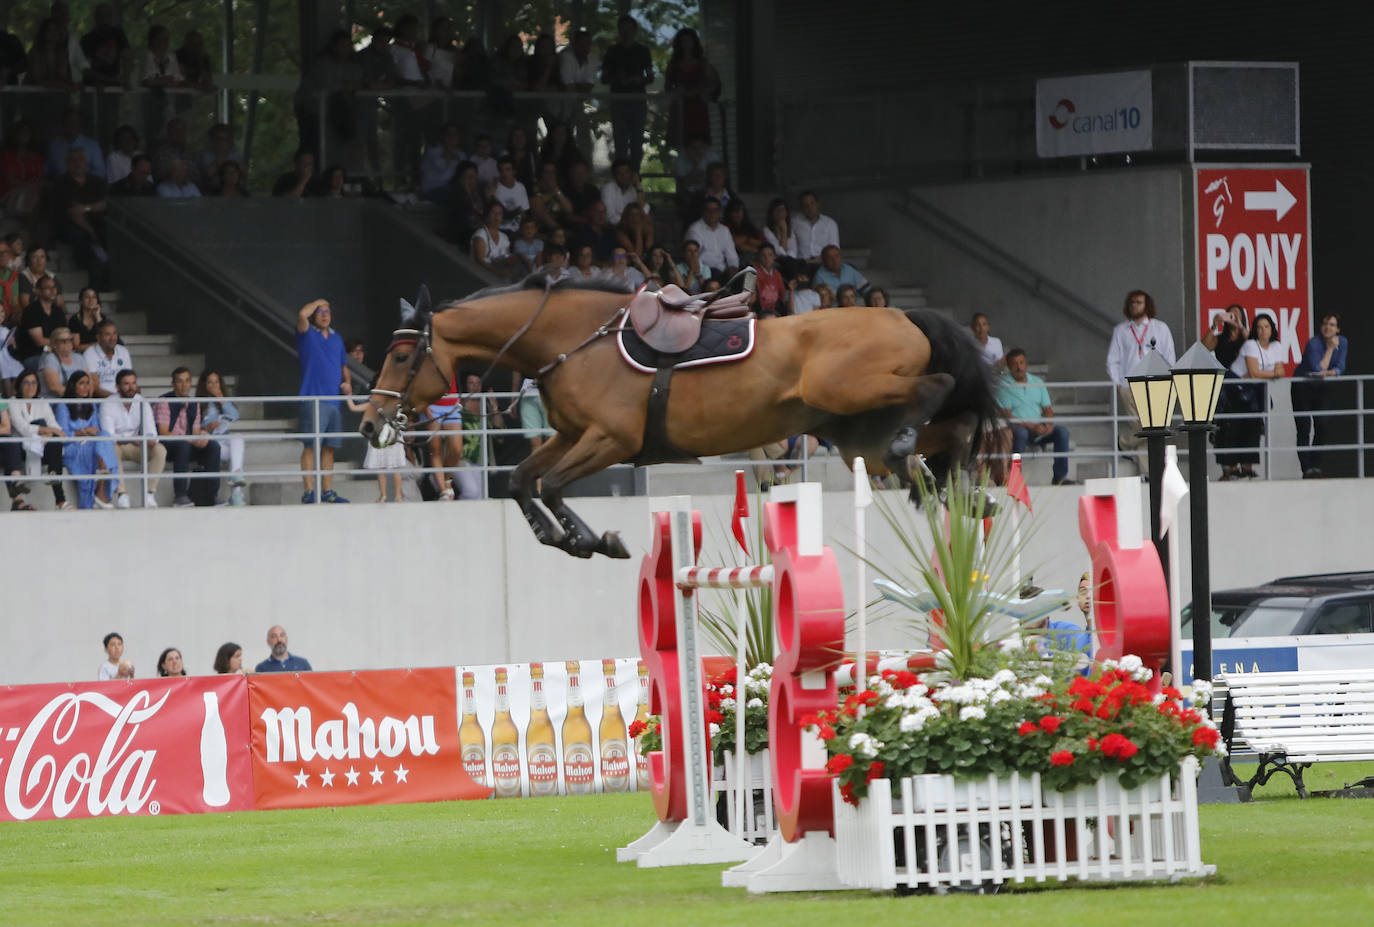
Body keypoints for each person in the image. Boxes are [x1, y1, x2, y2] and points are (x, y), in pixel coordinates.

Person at [1105, 289, 1176, 474]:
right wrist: (1118, 384)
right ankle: (1148, 474)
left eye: (1138, 302)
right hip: (1129, 386)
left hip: (1155, 385)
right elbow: (1113, 360)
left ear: (1147, 305)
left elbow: (1169, 357)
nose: (1134, 305)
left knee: (1151, 427)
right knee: (1144, 427)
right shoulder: (1121, 330)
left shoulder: (1160, 328)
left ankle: (1123, 442)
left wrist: (1168, 381)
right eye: (1132, 302)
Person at [296, 298, 350, 503]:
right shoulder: (307, 333)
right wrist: (318, 301)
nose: (325, 314)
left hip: (334, 402)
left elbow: (343, 366)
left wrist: (347, 383)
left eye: (327, 311)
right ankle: (309, 491)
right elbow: (302, 315)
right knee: (310, 445)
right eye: (320, 311)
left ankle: (327, 492)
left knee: (330, 447)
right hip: (313, 399)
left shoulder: (337, 339)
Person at [1223, 313, 1286, 481]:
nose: (1263, 331)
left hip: (1254, 389)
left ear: (1272, 329)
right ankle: (1231, 469)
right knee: (1235, 427)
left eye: (1266, 327)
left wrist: (1266, 374)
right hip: (1236, 389)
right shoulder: (1250, 345)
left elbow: (1281, 371)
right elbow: (1253, 372)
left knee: (1253, 427)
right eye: (1259, 327)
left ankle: (1247, 467)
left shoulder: (1277, 346)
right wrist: (1272, 374)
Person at [998, 348, 1074, 486]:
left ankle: (1059, 477)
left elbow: (1047, 409)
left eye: (1021, 362)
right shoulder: (1004, 384)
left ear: (1026, 364)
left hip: (1038, 427)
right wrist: (1032, 426)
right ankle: (1015, 478)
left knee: (1062, 432)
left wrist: (1049, 425)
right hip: (1018, 428)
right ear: (1008, 367)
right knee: (1021, 433)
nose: (1019, 367)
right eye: (1014, 364)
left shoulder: (1037, 381)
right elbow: (1007, 414)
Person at [1292, 313, 1348, 479]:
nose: (1327, 327)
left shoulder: (1343, 342)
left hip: (1321, 388)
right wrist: (1330, 349)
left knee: (1322, 425)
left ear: (1337, 329)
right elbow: (1317, 369)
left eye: (1332, 324)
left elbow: (1340, 367)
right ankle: (1306, 468)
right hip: (1302, 387)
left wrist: (1331, 372)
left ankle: (1315, 466)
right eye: (1325, 323)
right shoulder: (1314, 343)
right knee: (1303, 428)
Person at [155, 366, 221, 507]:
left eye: (187, 381)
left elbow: (195, 431)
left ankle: (212, 496)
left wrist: (202, 436)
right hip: (169, 445)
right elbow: (163, 431)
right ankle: (180, 496)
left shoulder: (194, 403)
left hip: (187, 443)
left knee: (213, 446)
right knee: (183, 445)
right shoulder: (164, 401)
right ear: (173, 384)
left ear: (191, 383)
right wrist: (189, 439)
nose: (184, 385)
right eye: (180, 381)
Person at [101, 368, 164, 508]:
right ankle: (122, 494)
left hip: (137, 446)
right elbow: (109, 437)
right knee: (111, 448)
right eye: (126, 384)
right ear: (117, 387)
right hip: (120, 446)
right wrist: (133, 439)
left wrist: (147, 439)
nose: (131, 388)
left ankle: (149, 493)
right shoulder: (108, 403)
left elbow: (152, 433)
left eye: (133, 383)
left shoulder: (142, 401)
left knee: (160, 449)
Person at [600, 15, 653, 171]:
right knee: (620, 142)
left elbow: (650, 76)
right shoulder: (613, 51)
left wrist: (638, 80)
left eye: (629, 29)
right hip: (619, 101)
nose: (626, 33)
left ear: (635, 30)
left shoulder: (643, 51)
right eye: (623, 30)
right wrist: (618, 78)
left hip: (637, 101)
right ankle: (620, 175)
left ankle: (635, 175)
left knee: (636, 141)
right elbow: (604, 77)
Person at [1205, 304, 1252, 480]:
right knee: (1224, 428)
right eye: (1230, 315)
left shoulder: (1246, 338)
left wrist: (1240, 327)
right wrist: (1214, 324)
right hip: (1224, 388)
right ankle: (1228, 469)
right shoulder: (1220, 338)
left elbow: (1255, 345)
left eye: (1237, 315)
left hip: (1244, 388)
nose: (1233, 318)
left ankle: (1246, 468)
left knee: (1245, 426)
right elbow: (1204, 347)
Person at [664, 28, 720, 150]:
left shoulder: (702, 63)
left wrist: (701, 91)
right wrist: (676, 91)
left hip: (698, 107)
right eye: (682, 41)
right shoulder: (673, 64)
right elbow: (667, 86)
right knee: (682, 144)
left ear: (694, 42)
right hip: (680, 108)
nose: (685, 44)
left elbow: (714, 83)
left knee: (700, 143)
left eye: (688, 41)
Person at [198, 370, 246, 505]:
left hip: (223, 441)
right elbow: (192, 427)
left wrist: (219, 396)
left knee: (237, 438)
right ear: (204, 385)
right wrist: (206, 427)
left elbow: (235, 415)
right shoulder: (198, 402)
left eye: (216, 382)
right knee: (235, 454)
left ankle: (236, 475)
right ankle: (237, 494)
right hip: (210, 444)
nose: (213, 385)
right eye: (210, 382)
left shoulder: (222, 400)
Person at [684, 197, 739, 278]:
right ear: (703, 212)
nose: (712, 213)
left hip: (723, 271)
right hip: (703, 272)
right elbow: (693, 258)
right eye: (708, 210)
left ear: (720, 212)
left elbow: (732, 256)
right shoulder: (694, 230)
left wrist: (734, 269)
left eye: (715, 210)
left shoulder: (724, 230)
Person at [793, 191, 840, 263]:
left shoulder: (830, 223)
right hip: (801, 264)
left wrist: (821, 259)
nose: (809, 208)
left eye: (812, 203)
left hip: (824, 263)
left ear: (818, 204)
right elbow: (791, 248)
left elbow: (834, 249)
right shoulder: (794, 222)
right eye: (805, 205)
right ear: (801, 207)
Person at [39, 326, 86, 397]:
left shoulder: (79, 358)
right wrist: (78, 395)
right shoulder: (49, 358)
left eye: (70, 340)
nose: (68, 343)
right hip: (54, 403)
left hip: (77, 401)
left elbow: (90, 383)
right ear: (54, 344)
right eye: (63, 341)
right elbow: (54, 387)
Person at [600, 159, 648, 226]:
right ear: (614, 176)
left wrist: (638, 184)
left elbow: (645, 209)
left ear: (631, 174)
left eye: (627, 172)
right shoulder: (608, 189)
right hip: (613, 227)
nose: (624, 176)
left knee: (648, 221)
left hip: (632, 225)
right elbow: (610, 218)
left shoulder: (633, 189)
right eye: (619, 173)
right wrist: (633, 219)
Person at [489, 156, 529, 234]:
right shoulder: (493, 187)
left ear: (514, 171)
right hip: (499, 230)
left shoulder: (521, 187)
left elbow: (523, 212)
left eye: (507, 170)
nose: (504, 173)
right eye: (501, 170)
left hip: (517, 230)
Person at [753, 244, 788, 317]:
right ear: (759, 257)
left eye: (770, 255)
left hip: (774, 310)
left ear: (774, 256)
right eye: (763, 255)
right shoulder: (754, 272)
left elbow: (782, 295)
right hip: (759, 311)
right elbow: (754, 299)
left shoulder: (777, 274)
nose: (767, 258)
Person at [67, 286, 104, 352]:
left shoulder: (101, 318)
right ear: (81, 301)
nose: (91, 300)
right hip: (81, 355)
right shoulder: (75, 320)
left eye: (94, 297)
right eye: (87, 297)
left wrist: (98, 317)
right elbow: (77, 347)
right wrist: (97, 345)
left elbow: (105, 338)